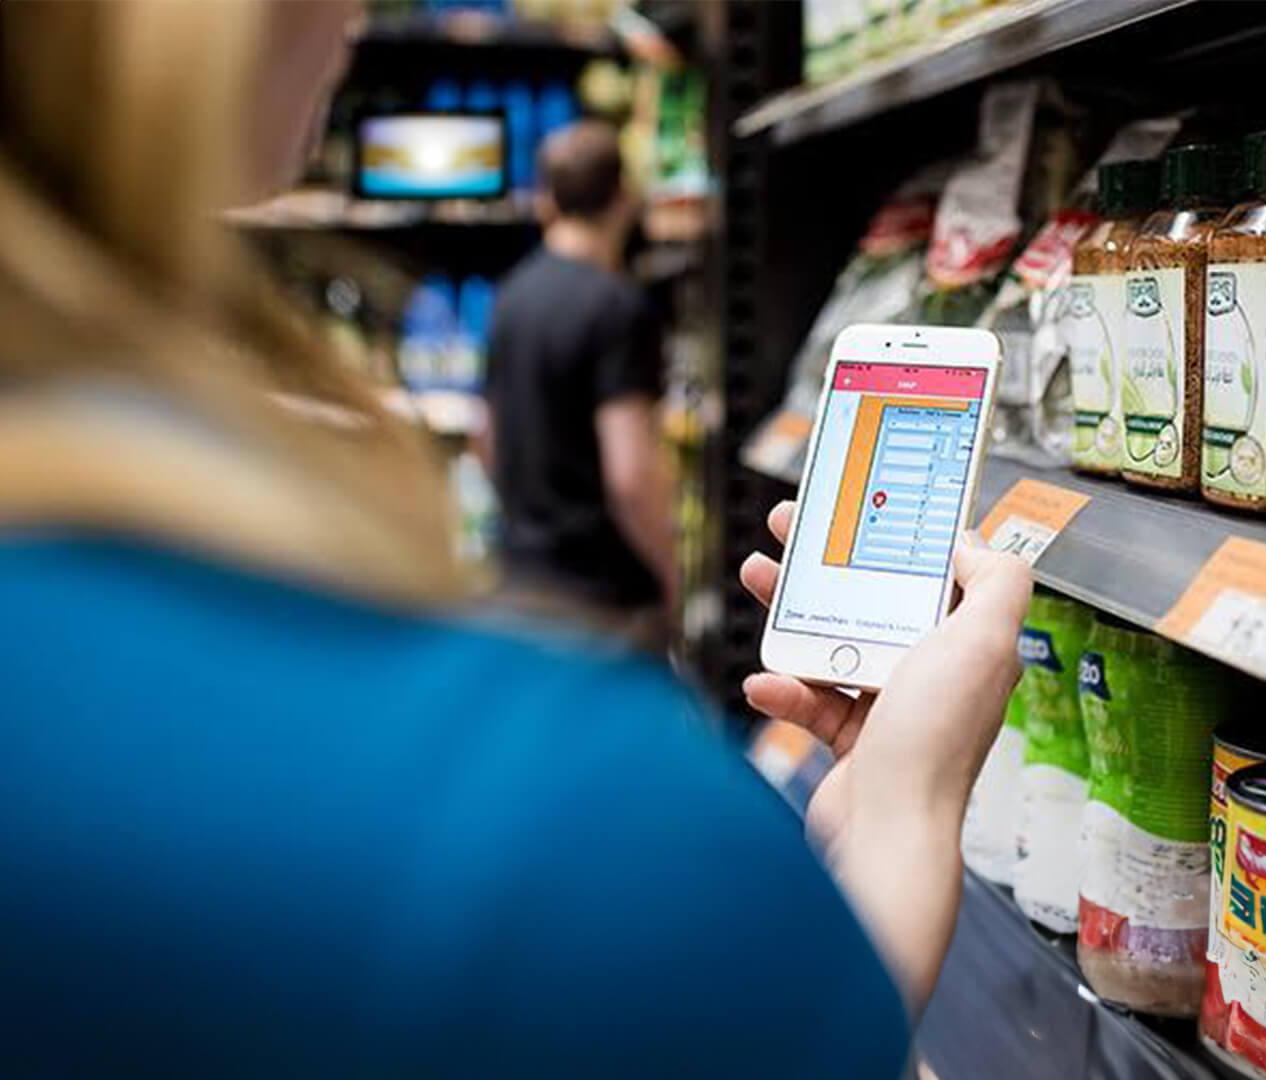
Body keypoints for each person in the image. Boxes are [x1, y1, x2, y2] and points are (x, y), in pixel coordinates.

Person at [0, 2, 1028, 1075]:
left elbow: (488, 436)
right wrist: (903, 822)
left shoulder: (522, 293)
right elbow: (632, 467)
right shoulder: (577, 837)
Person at [480, 119, 677, 649]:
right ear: (624, 198)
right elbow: (630, 475)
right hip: (601, 602)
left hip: (518, 585)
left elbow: (489, 442)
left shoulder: (510, 297)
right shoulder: (619, 308)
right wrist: (672, 570)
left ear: (546, 200)